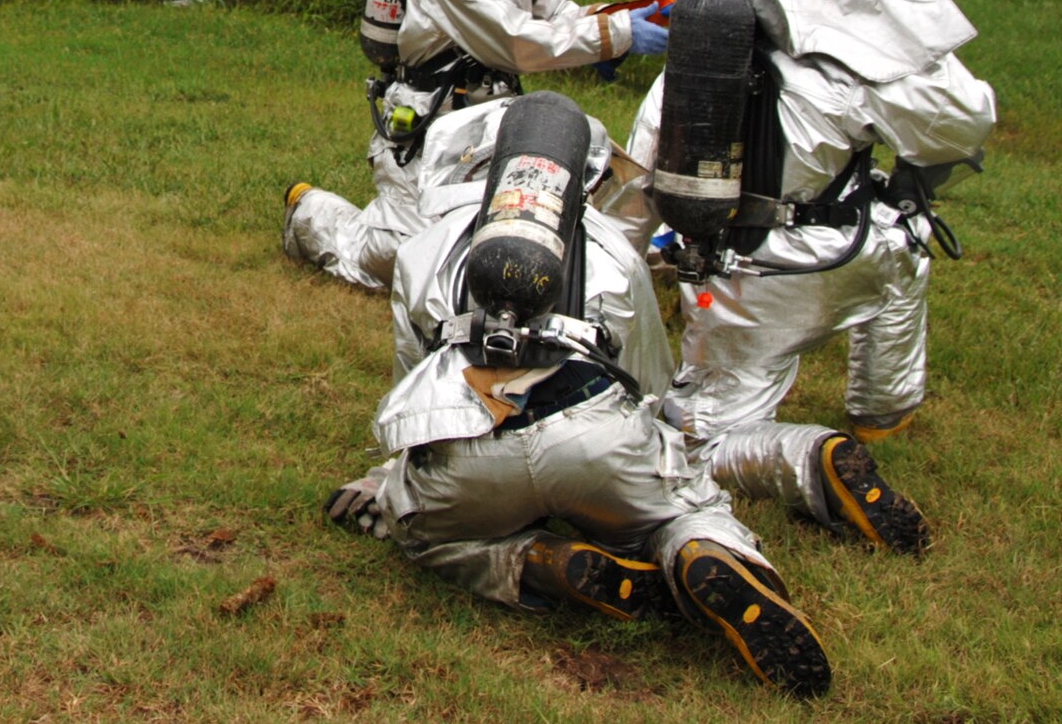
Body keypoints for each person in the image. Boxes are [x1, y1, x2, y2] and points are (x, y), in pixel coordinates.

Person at [325, 92, 831, 697]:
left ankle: (535, 560)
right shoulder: (617, 250)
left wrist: (395, 479)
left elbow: (412, 374)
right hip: (598, 439)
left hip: (466, 458)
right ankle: (697, 545)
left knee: (422, 535)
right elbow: (649, 376)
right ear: (585, 177)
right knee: (685, 506)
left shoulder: (422, 249)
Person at [623, 0, 996, 555]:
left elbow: (640, 186)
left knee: (695, 443)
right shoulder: (858, 56)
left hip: (749, 290)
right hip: (862, 258)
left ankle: (807, 456)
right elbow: (958, 125)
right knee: (906, 231)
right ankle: (883, 410)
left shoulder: (696, 62)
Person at [284, 0, 670, 290]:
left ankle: (617, 268)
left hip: (496, 122)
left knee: (579, 195)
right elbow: (515, 41)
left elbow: (560, 15)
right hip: (430, 133)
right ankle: (310, 211)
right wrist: (618, 35)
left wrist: (621, 16)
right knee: (407, 263)